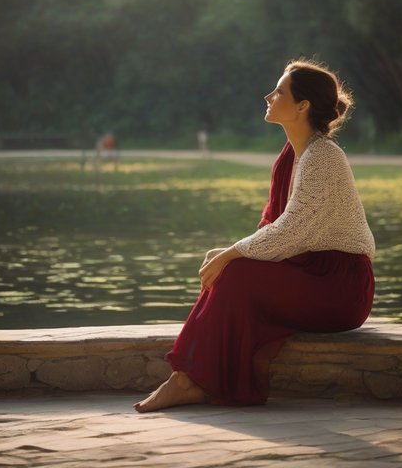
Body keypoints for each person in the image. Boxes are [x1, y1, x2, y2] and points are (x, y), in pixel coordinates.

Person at [134, 58, 375, 412]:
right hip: (309, 274)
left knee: (234, 269)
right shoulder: (289, 158)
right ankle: (188, 380)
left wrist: (232, 253)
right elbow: (271, 228)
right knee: (229, 270)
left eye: (278, 91)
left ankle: (187, 381)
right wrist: (229, 253)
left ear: (302, 106)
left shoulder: (323, 156)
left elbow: (291, 230)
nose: (268, 96)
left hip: (340, 287)